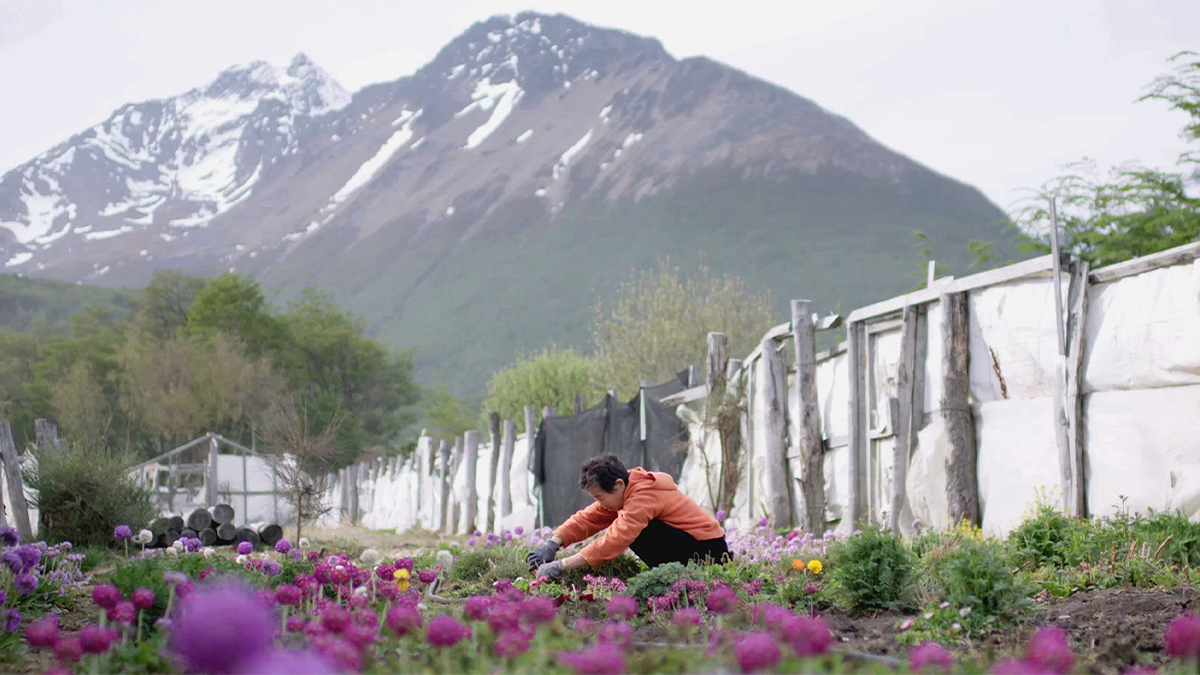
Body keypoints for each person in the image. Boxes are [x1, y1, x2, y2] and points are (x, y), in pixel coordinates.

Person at [527, 454, 730, 580]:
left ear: (619, 485)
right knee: (628, 525)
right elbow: (588, 518)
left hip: (708, 552)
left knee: (637, 532)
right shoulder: (625, 489)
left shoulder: (643, 496)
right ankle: (669, 576)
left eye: (600, 497)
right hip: (689, 544)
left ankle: (674, 578)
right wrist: (553, 544)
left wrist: (561, 566)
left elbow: (615, 540)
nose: (600, 503)